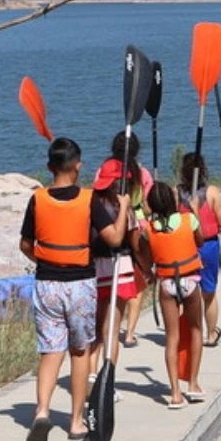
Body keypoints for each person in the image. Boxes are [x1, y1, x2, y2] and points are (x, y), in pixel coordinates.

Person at [19, 137, 127, 441]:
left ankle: (41, 411)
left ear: (50, 167)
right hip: (80, 284)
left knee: (50, 351)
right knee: (80, 351)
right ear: (77, 166)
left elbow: (25, 244)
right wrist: (120, 209)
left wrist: (45, 261)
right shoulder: (88, 199)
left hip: (47, 284)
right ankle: (76, 421)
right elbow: (114, 237)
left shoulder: (37, 199)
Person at [136, 183, 207, 406]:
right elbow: (200, 240)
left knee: (172, 338)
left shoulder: (149, 229)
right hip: (190, 280)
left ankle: (175, 392)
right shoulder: (188, 220)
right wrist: (194, 212)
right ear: (172, 201)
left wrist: (148, 271)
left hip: (167, 283)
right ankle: (193, 383)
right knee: (196, 329)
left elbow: (145, 255)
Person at [89, 133, 152, 370]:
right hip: (118, 266)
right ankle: (106, 378)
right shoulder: (125, 209)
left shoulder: (93, 203)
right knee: (112, 328)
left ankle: (93, 373)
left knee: (98, 327)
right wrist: (147, 268)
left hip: (94, 267)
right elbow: (135, 241)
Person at [178, 152, 221, 348]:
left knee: (186, 291)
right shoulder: (211, 192)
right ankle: (210, 334)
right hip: (207, 246)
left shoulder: (176, 193)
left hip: (185, 247)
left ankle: (192, 332)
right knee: (208, 293)